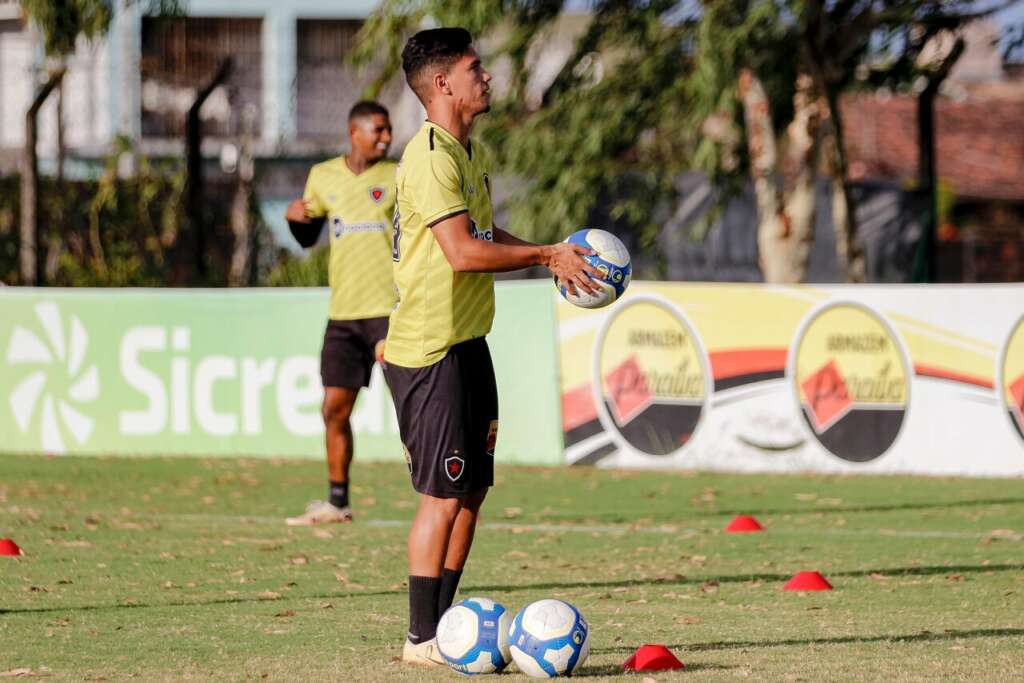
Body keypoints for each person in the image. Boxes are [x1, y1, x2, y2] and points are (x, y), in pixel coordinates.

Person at [386, 28, 600, 665]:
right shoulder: (429, 156)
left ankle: (449, 625)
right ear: (443, 83)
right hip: (429, 350)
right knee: (442, 494)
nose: (489, 77)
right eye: (476, 68)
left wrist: (548, 254)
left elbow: (481, 229)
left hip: (468, 342)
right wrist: (545, 254)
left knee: (472, 492)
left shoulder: (465, 150)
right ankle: (421, 639)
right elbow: (462, 252)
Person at [284, 101, 397, 526]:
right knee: (334, 408)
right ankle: (337, 502)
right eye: (379, 130)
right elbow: (307, 236)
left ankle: (439, 493)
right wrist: (296, 219)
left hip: (390, 311)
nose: (386, 137)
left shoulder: (399, 177)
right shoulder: (323, 175)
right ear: (355, 132)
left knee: (413, 409)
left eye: (388, 131)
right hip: (344, 314)